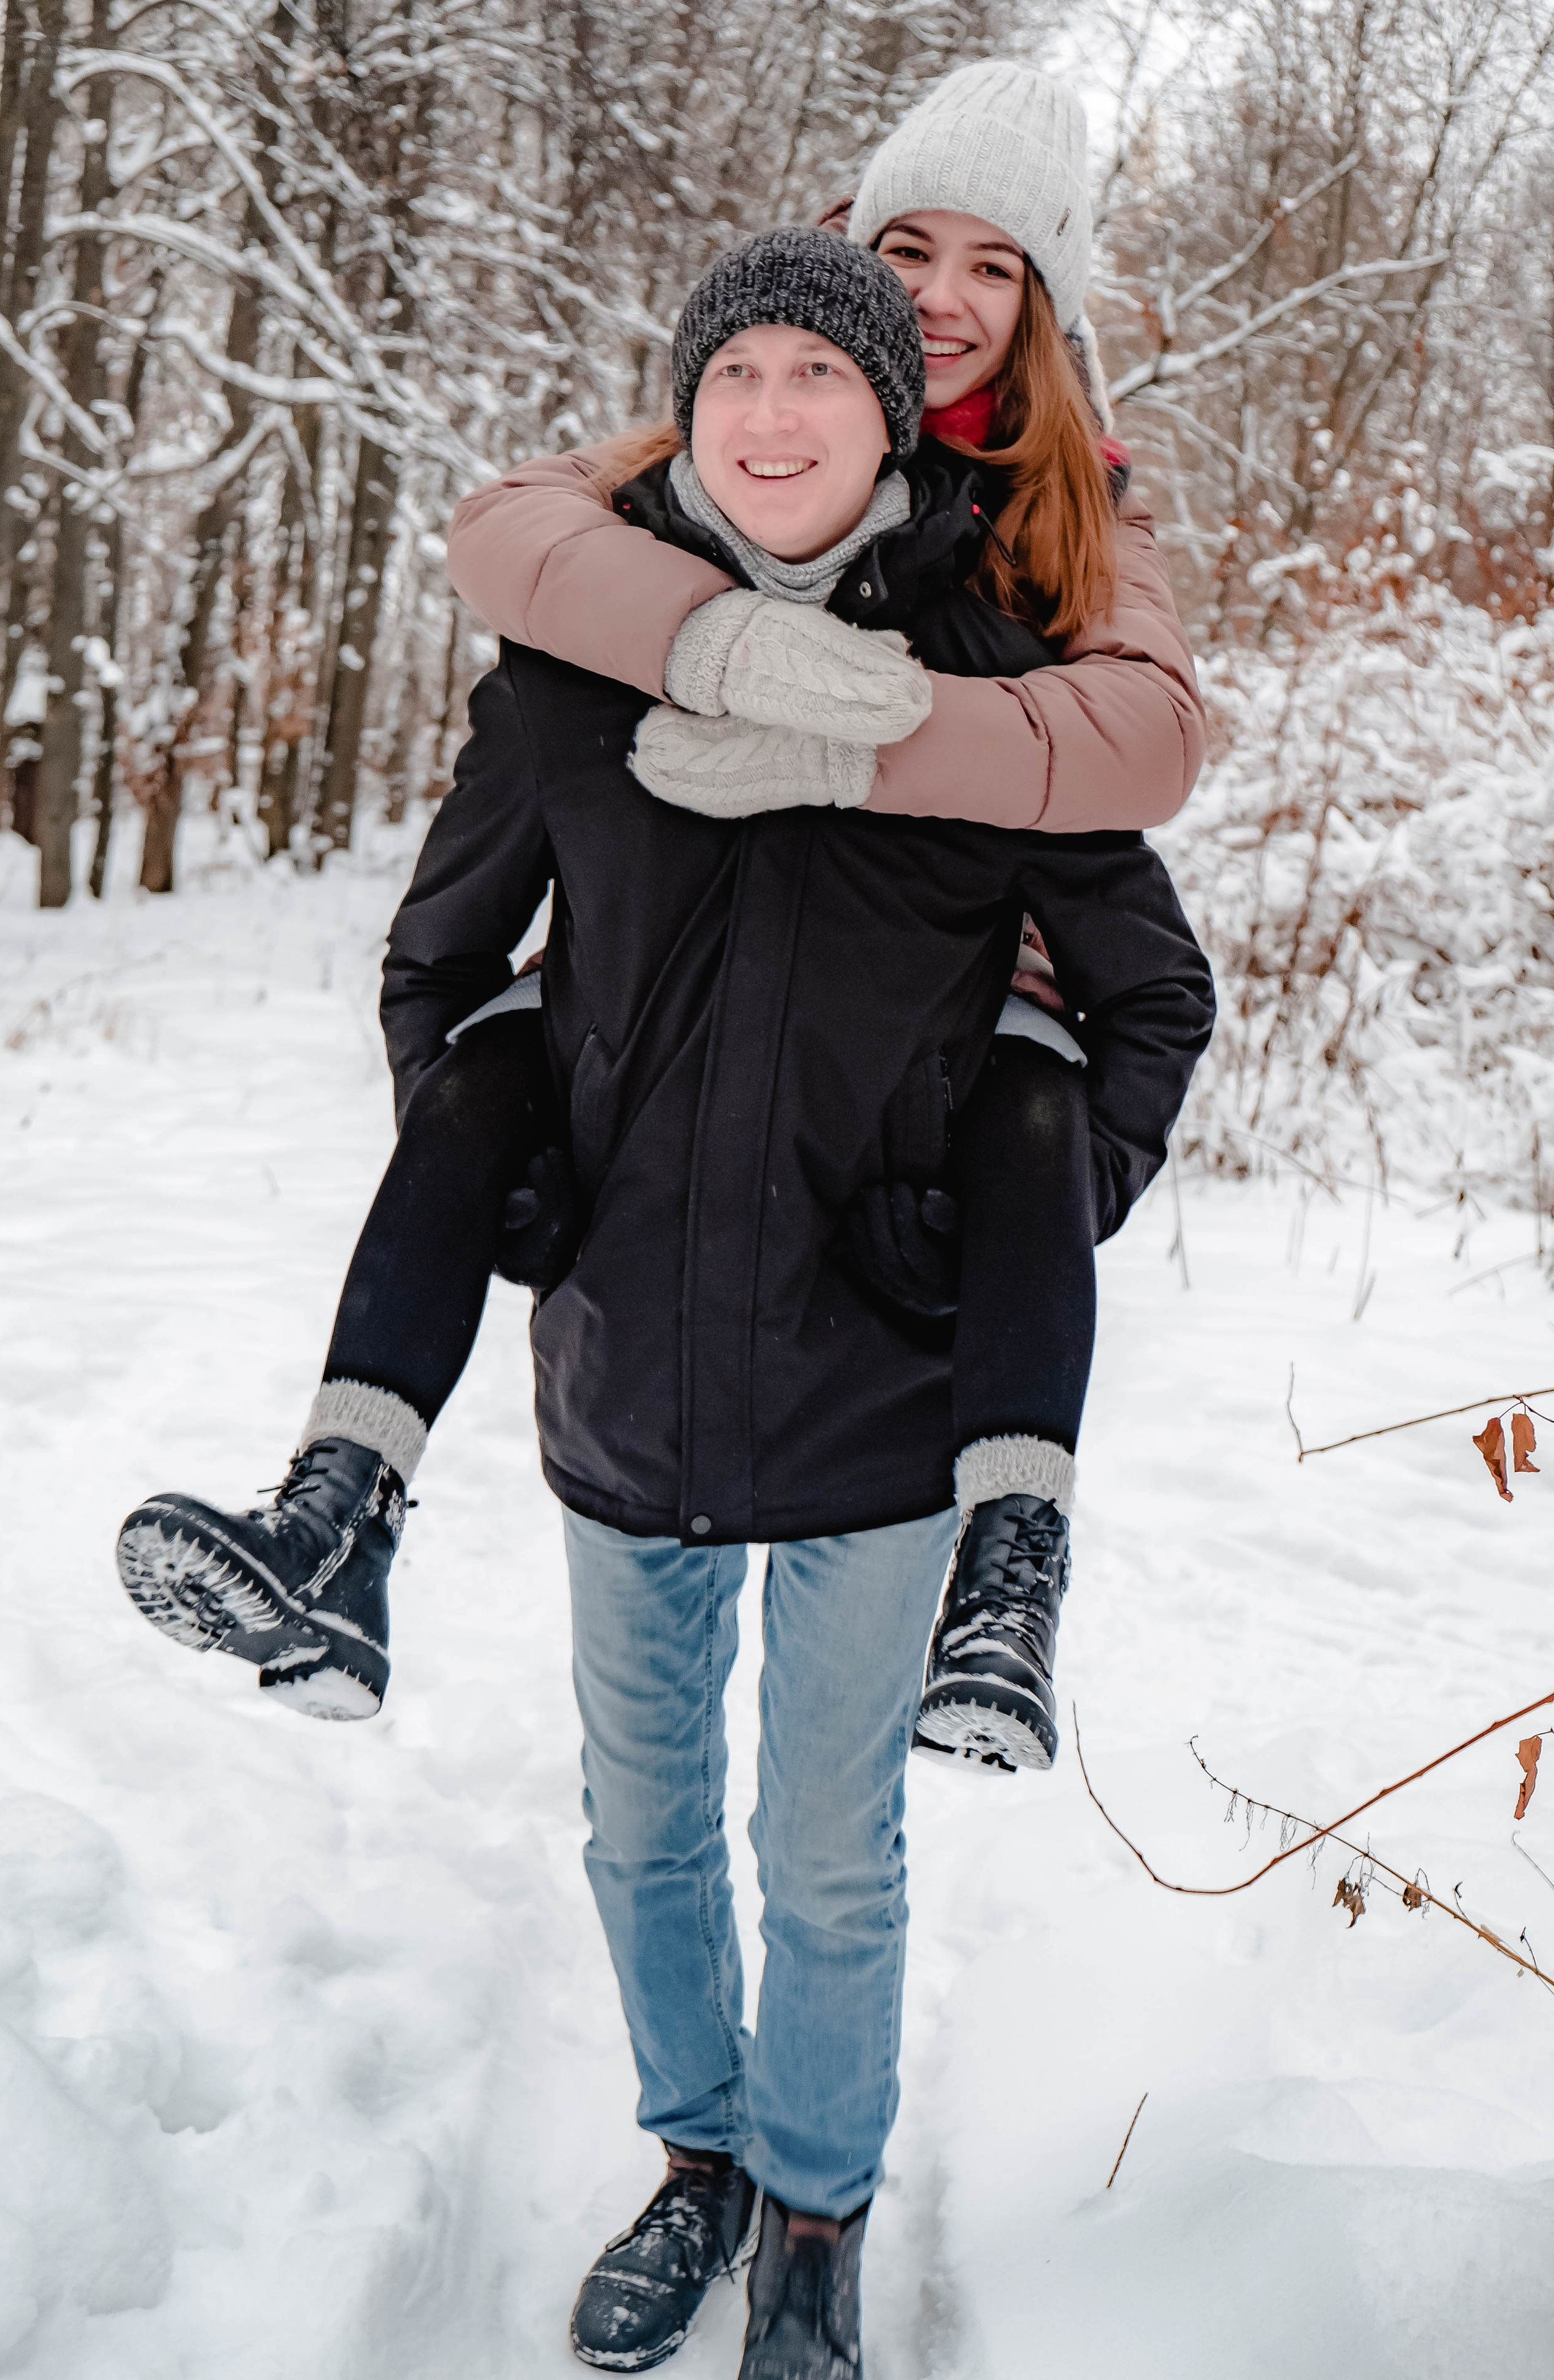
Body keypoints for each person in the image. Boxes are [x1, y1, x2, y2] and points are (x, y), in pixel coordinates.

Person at [115, 224, 1211, 2377]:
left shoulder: (988, 691)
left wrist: (1020, 1212)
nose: (778, 413)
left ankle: (811, 2217)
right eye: (740, 378)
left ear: (894, 417)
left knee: (827, 1850)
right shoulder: (568, 677)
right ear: (686, 408)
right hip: (625, 1377)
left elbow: (1149, 1002)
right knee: (640, 1830)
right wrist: (520, 1175)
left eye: (826, 376)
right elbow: (442, 968)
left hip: (886, 1388)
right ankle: (696, 2155)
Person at [438, 58, 1211, 1774]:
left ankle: (1017, 1559)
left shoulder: (1074, 513)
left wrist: (860, 746)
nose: (941, 295)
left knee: (832, 1830)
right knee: (643, 1785)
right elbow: (505, 536)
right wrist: (718, 644)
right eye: (909, 245)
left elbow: (1152, 738)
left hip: (938, 1036)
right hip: (695, 1068)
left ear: (1043, 311)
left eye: (996, 266)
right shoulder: (747, 423)